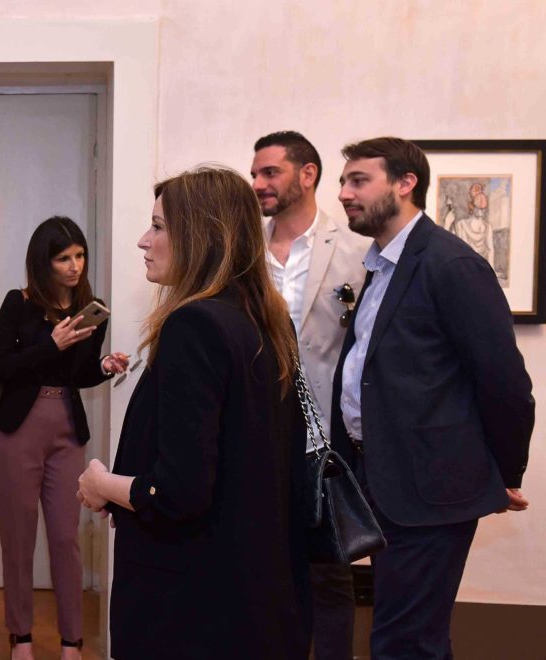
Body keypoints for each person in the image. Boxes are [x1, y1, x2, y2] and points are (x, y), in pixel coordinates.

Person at [78, 167, 311, 659]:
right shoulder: (267, 321)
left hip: (192, 605)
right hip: (255, 594)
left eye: (158, 226)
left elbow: (178, 493)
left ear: (201, 236)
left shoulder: (195, 326)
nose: (144, 240)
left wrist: (103, 485)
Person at [333, 137, 534, 659]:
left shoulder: (451, 264)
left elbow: (506, 384)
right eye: (343, 181)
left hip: (429, 488)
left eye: (359, 181)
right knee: (407, 636)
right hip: (382, 478)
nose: (344, 193)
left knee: (405, 642)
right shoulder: (381, 265)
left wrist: (502, 472)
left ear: (406, 183)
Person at [251, 130, 371, 660]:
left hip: (324, 438)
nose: (259, 183)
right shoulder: (243, 250)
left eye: (270, 172)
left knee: (329, 571)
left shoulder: (356, 251)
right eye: (255, 174)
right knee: (258, 566)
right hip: (253, 433)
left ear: (307, 174)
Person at [0, 216, 128, 660]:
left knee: (67, 537)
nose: (74, 266)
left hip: (67, 428)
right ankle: (21, 637)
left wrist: (102, 367)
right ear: (43, 262)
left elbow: (77, 374)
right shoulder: (20, 303)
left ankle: (72, 641)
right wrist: (51, 344)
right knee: (18, 538)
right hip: (18, 430)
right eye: (64, 258)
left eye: (80, 255)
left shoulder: (92, 310)